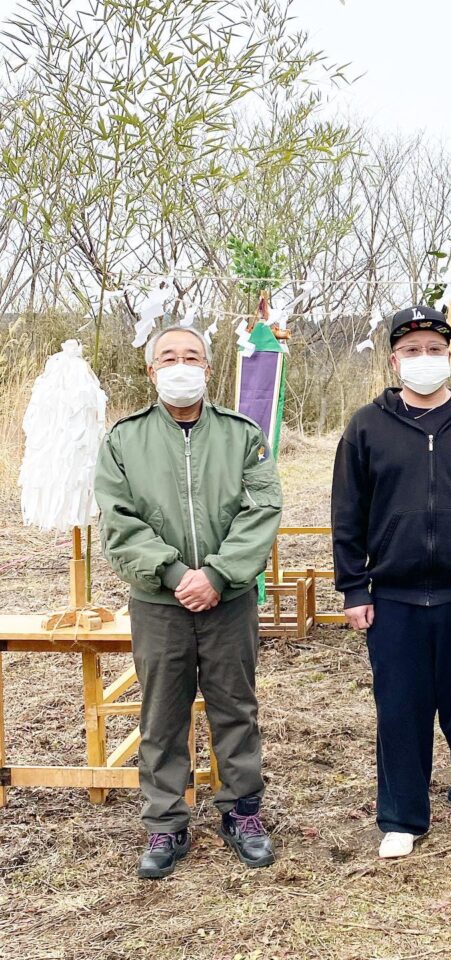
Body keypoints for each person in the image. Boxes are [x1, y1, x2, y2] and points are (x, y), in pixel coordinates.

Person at [332, 305, 451, 859]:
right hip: (393, 597)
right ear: (395, 361)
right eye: (412, 351)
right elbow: (347, 511)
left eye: (434, 350)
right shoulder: (367, 425)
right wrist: (354, 586)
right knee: (400, 708)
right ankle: (402, 816)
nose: (424, 359)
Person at [95, 326, 283, 879]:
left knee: (235, 708)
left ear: (208, 366)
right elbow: (118, 520)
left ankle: (243, 812)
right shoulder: (123, 441)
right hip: (159, 602)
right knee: (162, 714)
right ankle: (165, 822)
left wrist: (219, 575)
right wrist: (177, 574)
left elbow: (262, 508)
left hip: (229, 601)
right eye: (169, 358)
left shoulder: (241, 435)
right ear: (152, 372)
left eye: (192, 356)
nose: (182, 366)